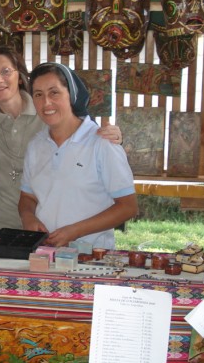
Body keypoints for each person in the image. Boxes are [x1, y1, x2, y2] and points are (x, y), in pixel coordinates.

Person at [0, 46, 123, 230]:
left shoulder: (48, 112)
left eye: (6, 71)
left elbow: (85, 132)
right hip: (3, 226)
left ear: (19, 76)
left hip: (50, 227)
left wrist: (113, 134)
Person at [18, 62, 138, 249]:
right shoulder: (36, 146)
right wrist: (28, 218)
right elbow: (28, 197)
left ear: (71, 95)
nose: (46, 102)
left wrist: (75, 231)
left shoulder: (102, 143)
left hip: (91, 257)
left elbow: (128, 207)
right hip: (44, 252)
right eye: (38, 95)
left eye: (54, 92)